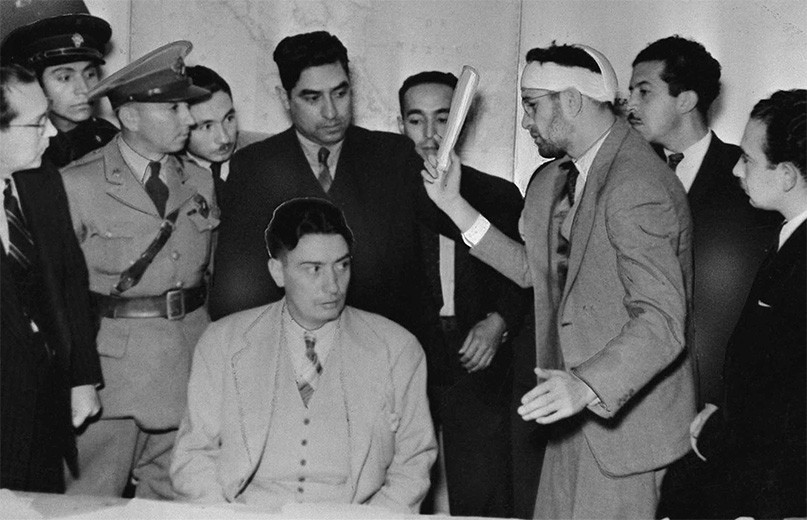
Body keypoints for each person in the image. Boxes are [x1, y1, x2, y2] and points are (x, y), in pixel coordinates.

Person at [422, 43, 696, 517]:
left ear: (570, 101)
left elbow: (662, 320)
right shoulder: (552, 181)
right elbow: (535, 270)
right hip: (568, 413)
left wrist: (585, 386)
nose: (525, 121)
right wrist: (454, 206)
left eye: (532, 105)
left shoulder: (638, 184)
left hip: (622, 429)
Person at [209, 31, 452, 401]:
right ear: (284, 98)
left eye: (340, 93)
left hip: (386, 372)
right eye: (312, 98)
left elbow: (428, 264)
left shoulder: (395, 157)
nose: (331, 112)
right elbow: (235, 293)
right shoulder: (254, 168)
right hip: (289, 376)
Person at [171, 197, 436, 513]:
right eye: (314, 269)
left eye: (342, 265)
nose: (333, 286)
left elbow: (412, 463)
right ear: (277, 272)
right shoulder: (222, 343)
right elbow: (194, 456)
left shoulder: (397, 349)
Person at [59, 41, 217, 499]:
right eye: (173, 108)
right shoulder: (76, 185)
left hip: (188, 367)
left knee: (175, 502)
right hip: (112, 380)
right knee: (89, 502)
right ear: (130, 116)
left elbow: (208, 274)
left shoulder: (200, 181)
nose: (189, 119)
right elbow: (58, 295)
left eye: (186, 106)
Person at [658, 89, 806, 519]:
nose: (737, 169)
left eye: (748, 159)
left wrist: (721, 432)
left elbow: (790, 400)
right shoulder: (788, 241)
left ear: (787, 175)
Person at [397, 70, 526, 517]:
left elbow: (529, 275)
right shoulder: (387, 195)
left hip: (477, 358)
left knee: (482, 491)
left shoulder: (498, 193)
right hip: (406, 359)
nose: (431, 134)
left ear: (463, 122)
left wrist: (499, 323)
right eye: (416, 120)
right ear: (400, 125)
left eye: (443, 118)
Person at [628, 35, 780, 405]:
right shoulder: (627, 177)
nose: (630, 104)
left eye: (644, 92)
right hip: (637, 390)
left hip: (719, 392)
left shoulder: (751, 178)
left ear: (686, 100)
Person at [0, 64, 101, 492]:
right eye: (38, 122)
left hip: (45, 406)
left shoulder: (42, 181)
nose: (53, 133)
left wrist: (82, 377)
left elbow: (71, 285)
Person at [1, 4, 117, 167]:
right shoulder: (19, 152)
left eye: (90, 74)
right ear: (35, 84)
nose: (84, 89)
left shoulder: (109, 137)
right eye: (65, 78)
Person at [183, 65, 264, 205]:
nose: (224, 138)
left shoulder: (270, 152)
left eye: (229, 119)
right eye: (207, 126)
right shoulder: (163, 172)